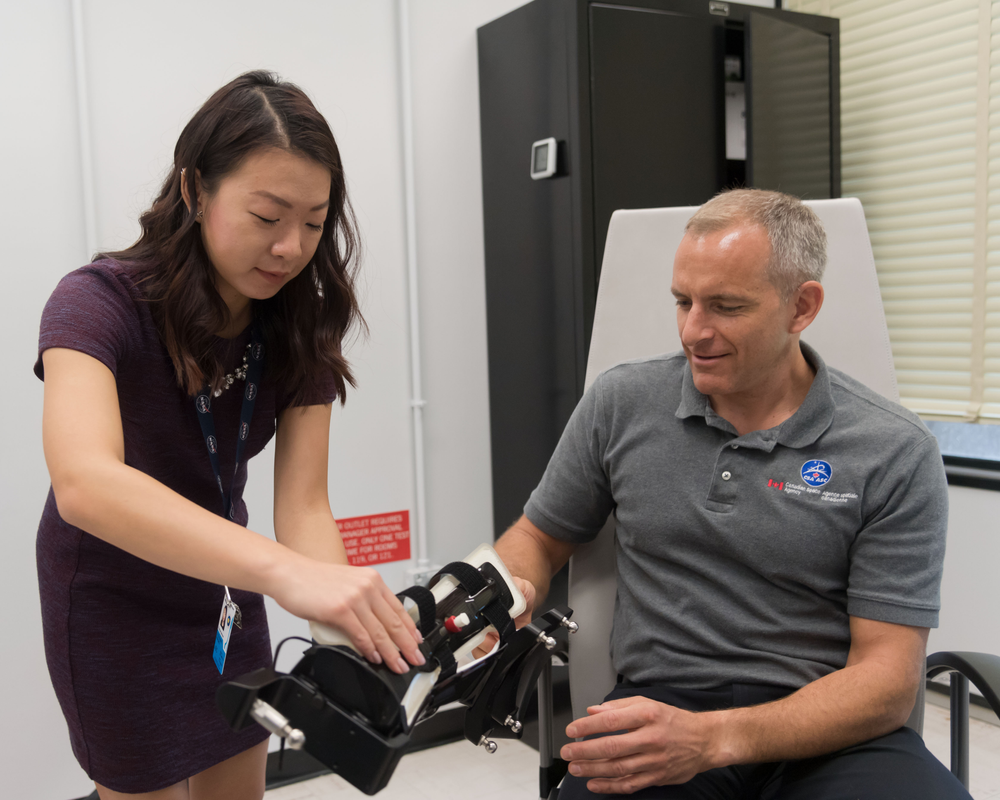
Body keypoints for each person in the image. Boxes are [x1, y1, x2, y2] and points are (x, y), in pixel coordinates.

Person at [494, 189, 971, 798]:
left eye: (725, 306)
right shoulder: (621, 404)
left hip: (830, 728)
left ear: (802, 306)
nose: (694, 331)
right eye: (683, 302)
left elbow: (885, 679)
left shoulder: (894, 450)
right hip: (660, 709)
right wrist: (506, 590)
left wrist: (716, 738)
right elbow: (539, 537)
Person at [35, 71, 425, 800]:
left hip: (224, 590)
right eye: (268, 215)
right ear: (194, 190)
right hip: (112, 599)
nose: (290, 247)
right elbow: (85, 483)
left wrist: (349, 633)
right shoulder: (95, 304)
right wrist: (284, 574)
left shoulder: (299, 320)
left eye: (314, 222)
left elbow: (305, 507)